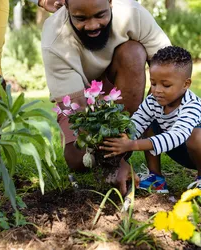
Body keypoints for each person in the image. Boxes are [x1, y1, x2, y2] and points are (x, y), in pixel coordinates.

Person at [41, 0, 171, 195]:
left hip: (116, 87)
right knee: (78, 159)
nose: (92, 26)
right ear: (66, 6)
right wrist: (113, 163)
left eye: (100, 15)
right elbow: (78, 111)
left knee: (133, 52)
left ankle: (123, 141)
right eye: (81, 18)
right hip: (81, 99)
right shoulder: (54, 38)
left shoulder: (131, 13)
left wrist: (153, 119)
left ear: (111, 2)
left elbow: (168, 66)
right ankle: (116, 153)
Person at [100, 46, 201, 194]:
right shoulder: (153, 101)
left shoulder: (192, 105)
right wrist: (122, 139)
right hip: (181, 148)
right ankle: (156, 179)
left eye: (166, 85)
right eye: (153, 83)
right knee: (148, 122)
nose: (157, 90)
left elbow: (177, 136)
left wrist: (131, 145)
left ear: (186, 84)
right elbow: (136, 123)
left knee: (197, 135)